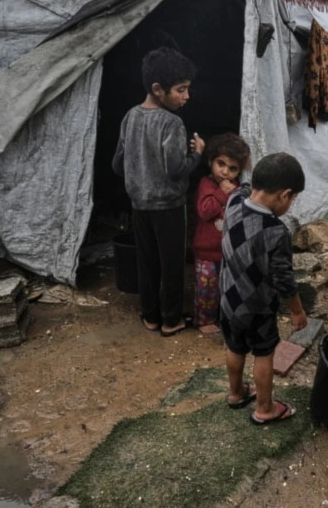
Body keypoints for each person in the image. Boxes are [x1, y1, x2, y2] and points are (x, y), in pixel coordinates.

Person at [112, 47, 204, 337]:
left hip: (139, 204)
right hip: (170, 207)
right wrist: (197, 155)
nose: (186, 96)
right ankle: (171, 319)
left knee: (147, 261)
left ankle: (149, 315)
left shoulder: (129, 117)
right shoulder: (172, 123)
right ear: (157, 89)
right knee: (173, 263)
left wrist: (139, 173)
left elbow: (117, 165)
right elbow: (176, 169)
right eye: (181, 89)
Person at [220, 153, 308, 424]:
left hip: (228, 300)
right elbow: (283, 280)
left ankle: (235, 394)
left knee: (234, 347)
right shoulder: (275, 231)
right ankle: (264, 409)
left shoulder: (234, 201)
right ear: (285, 194)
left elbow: (246, 188)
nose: (290, 204)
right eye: (292, 199)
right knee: (263, 353)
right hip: (257, 308)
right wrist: (297, 312)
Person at [192, 133, 251, 335]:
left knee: (225, 286)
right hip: (206, 249)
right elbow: (205, 210)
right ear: (211, 161)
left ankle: (222, 315)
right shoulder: (206, 184)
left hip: (227, 250)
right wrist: (221, 194)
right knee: (206, 286)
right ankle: (204, 319)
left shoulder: (236, 189)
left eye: (233, 168)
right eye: (221, 164)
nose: (225, 172)